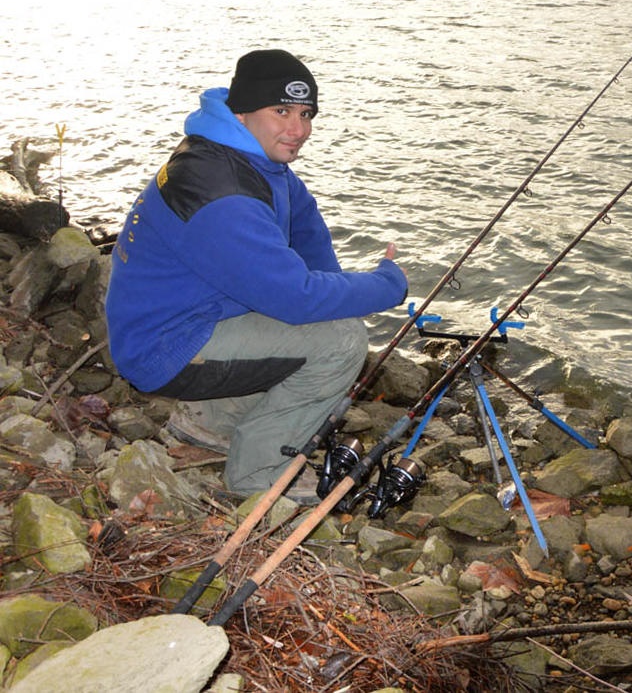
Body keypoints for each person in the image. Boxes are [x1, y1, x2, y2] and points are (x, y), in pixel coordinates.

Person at [105, 49, 408, 503]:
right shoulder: (222, 190)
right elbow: (297, 299)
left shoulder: (250, 159)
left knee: (322, 321)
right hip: (163, 348)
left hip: (183, 320)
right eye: (281, 111)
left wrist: (333, 291)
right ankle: (257, 473)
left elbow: (307, 232)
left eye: (306, 114)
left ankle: (209, 422)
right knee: (342, 340)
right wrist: (386, 285)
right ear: (243, 111)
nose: (298, 129)